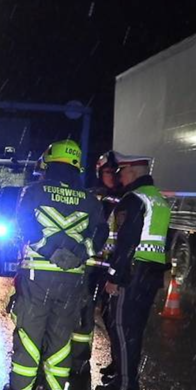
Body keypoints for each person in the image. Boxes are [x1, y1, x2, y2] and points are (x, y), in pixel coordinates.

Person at [3, 139, 107, 390]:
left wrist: (51, 251)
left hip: (38, 274)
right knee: (61, 335)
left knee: (30, 332)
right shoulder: (89, 199)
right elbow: (100, 234)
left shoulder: (34, 191)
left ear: (48, 162)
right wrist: (80, 254)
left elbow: (25, 226)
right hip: (73, 278)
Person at [96, 152, 171, 390]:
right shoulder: (158, 198)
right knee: (134, 329)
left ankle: (126, 385)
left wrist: (114, 276)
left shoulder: (133, 199)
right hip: (151, 273)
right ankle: (125, 378)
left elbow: (127, 242)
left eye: (123, 171)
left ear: (133, 172)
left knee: (120, 326)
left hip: (132, 272)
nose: (119, 176)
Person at [72, 151, 123, 376]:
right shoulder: (90, 197)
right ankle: (81, 359)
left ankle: (119, 364)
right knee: (84, 311)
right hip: (90, 264)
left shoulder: (126, 198)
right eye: (107, 172)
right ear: (99, 173)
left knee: (113, 318)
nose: (111, 176)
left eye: (114, 172)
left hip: (111, 265)